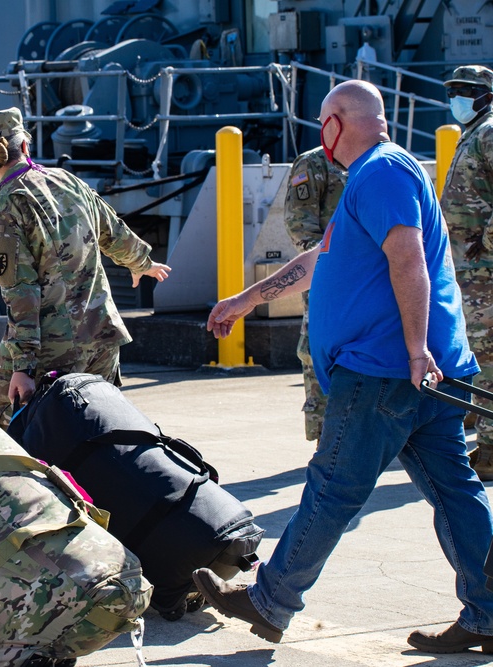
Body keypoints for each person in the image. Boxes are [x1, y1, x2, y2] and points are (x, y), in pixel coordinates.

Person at [193, 80, 493, 654]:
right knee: (455, 491)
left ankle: (268, 601)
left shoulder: (381, 173)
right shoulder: (377, 175)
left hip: (386, 372)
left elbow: (408, 262)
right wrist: (246, 300)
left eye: (322, 122)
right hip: (414, 372)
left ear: (336, 123)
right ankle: (488, 614)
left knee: (332, 489)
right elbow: (320, 258)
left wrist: (412, 350)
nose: (319, 134)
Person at [0, 107, 170, 428]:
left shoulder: (5, 206)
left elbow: (21, 293)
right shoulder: (68, 181)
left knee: (2, 432)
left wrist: (23, 366)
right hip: (100, 339)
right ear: (24, 146)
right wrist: (142, 263)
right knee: (98, 428)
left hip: (50, 349)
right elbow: (112, 231)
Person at [440, 65, 493, 479]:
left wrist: (485, 244)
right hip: (469, 269)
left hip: (484, 271)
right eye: (453, 90)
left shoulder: (489, 132)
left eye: (465, 90)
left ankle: (491, 448)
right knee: (480, 353)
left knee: (489, 354)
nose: (457, 97)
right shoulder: (473, 132)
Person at [283, 146, 346, 442]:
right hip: (328, 277)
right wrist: (333, 265)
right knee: (318, 351)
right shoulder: (314, 163)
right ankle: (324, 434)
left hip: (376, 279)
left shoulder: (376, 158)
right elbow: (300, 226)